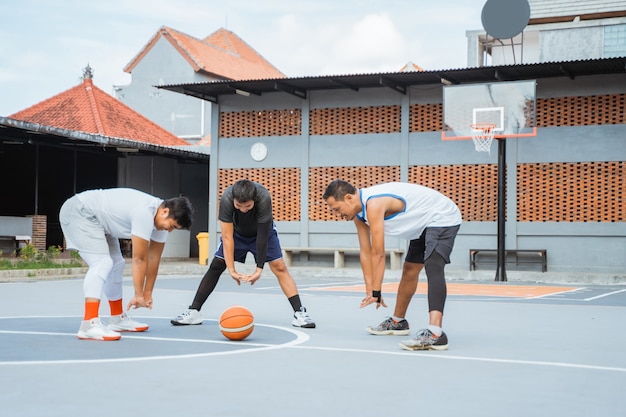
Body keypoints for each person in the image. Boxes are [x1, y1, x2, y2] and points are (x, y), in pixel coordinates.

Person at [323, 180, 461, 351]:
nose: (337, 214)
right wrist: (370, 291)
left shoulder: (373, 204)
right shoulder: (359, 215)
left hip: (442, 215)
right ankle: (398, 322)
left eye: (337, 209)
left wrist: (377, 290)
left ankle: (436, 332)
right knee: (409, 269)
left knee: (433, 265)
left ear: (349, 198)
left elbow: (378, 253)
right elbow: (365, 252)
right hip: (422, 223)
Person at [171, 179, 315, 328]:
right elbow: (227, 237)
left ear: (254, 200)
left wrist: (259, 269)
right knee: (216, 265)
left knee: (279, 266)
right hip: (236, 234)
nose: (243, 209)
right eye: (239, 206)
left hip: (262, 233)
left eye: (248, 206)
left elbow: (262, 237)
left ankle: (300, 313)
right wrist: (231, 270)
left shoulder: (263, 197)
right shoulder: (226, 199)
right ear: (234, 199)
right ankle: (194, 311)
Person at [59, 188, 194, 341]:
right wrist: (138, 295)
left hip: (100, 222)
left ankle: (117, 318)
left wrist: (147, 293)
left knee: (116, 264)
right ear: (165, 211)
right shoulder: (144, 212)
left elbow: (154, 258)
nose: (169, 231)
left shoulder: (160, 221)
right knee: (102, 263)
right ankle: (88, 324)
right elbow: (139, 258)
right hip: (80, 211)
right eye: (172, 226)